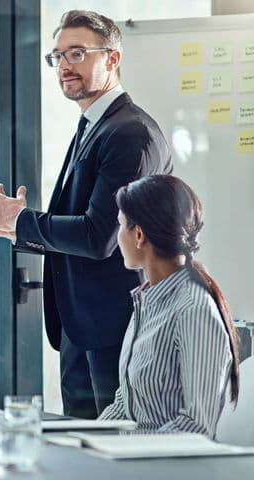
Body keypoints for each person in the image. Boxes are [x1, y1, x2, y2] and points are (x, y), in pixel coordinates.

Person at [0, 10, 173, 418]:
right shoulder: (94, 125)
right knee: (80, 447)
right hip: (81, 326)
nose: (65, 66)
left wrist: (19, 221)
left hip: (115, 329)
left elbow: (99, 236)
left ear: (112, 58)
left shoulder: (130, 134)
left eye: (77, 53)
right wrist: (16, 225)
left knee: (112, 452)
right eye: (57, 57)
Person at [98, 174, 239, 438]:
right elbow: (125, 405)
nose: (117, 237)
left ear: (138, 234)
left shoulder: (193, 309)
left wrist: (130, 453)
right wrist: (84, 441)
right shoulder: (147, 301)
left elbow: (197, 425)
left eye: (120, 225)